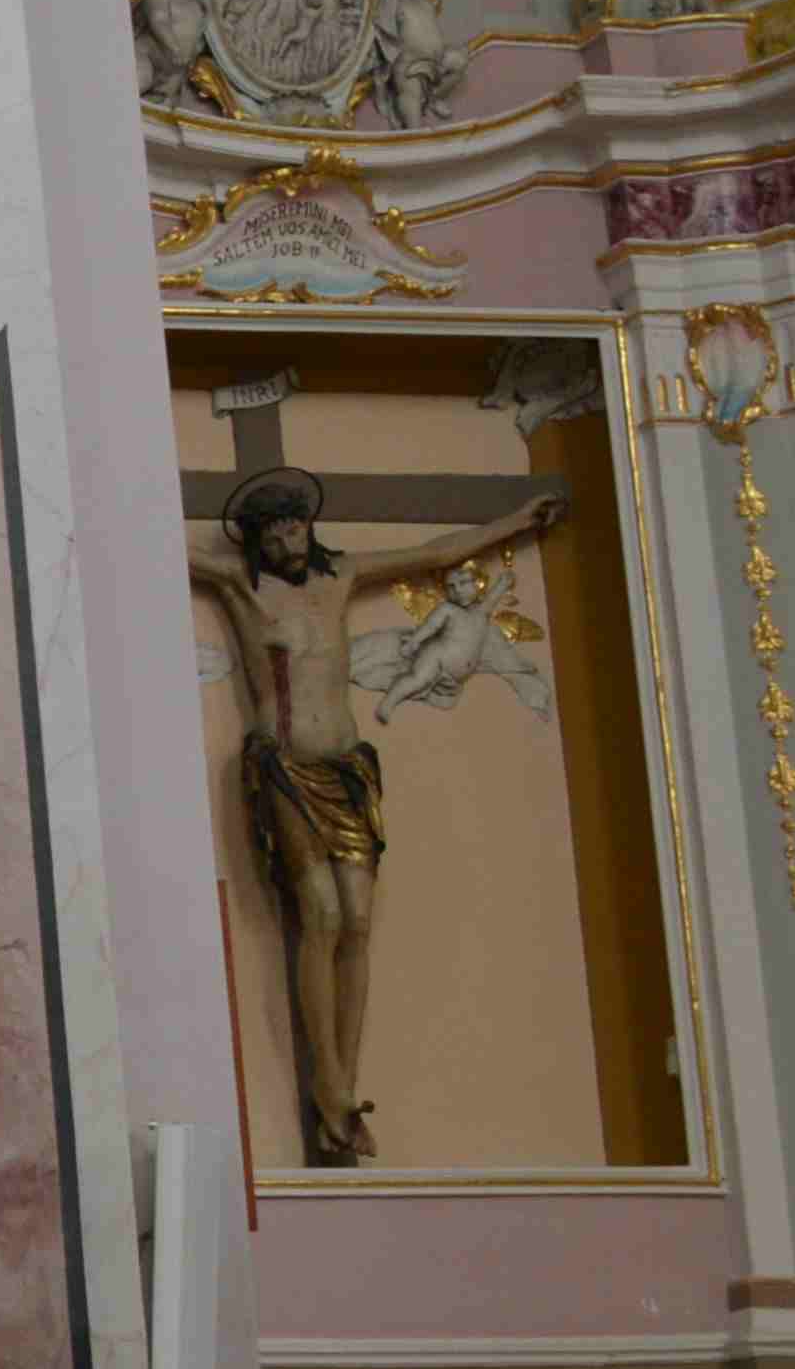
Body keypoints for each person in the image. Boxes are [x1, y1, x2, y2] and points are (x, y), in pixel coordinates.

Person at [187, 461, 567, 1163]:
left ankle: (342, 1091)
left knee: (357, 921)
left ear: (309, 526)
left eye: (295, 523)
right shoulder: (242, 587)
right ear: (257, 541)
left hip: (349, 768)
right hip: (286, 768)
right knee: (321, 913)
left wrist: (516, 521)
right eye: (273, 529)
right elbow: (159, 543)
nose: (288, 538)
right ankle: (327, 1088)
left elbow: (433, 554)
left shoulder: (339, 579)